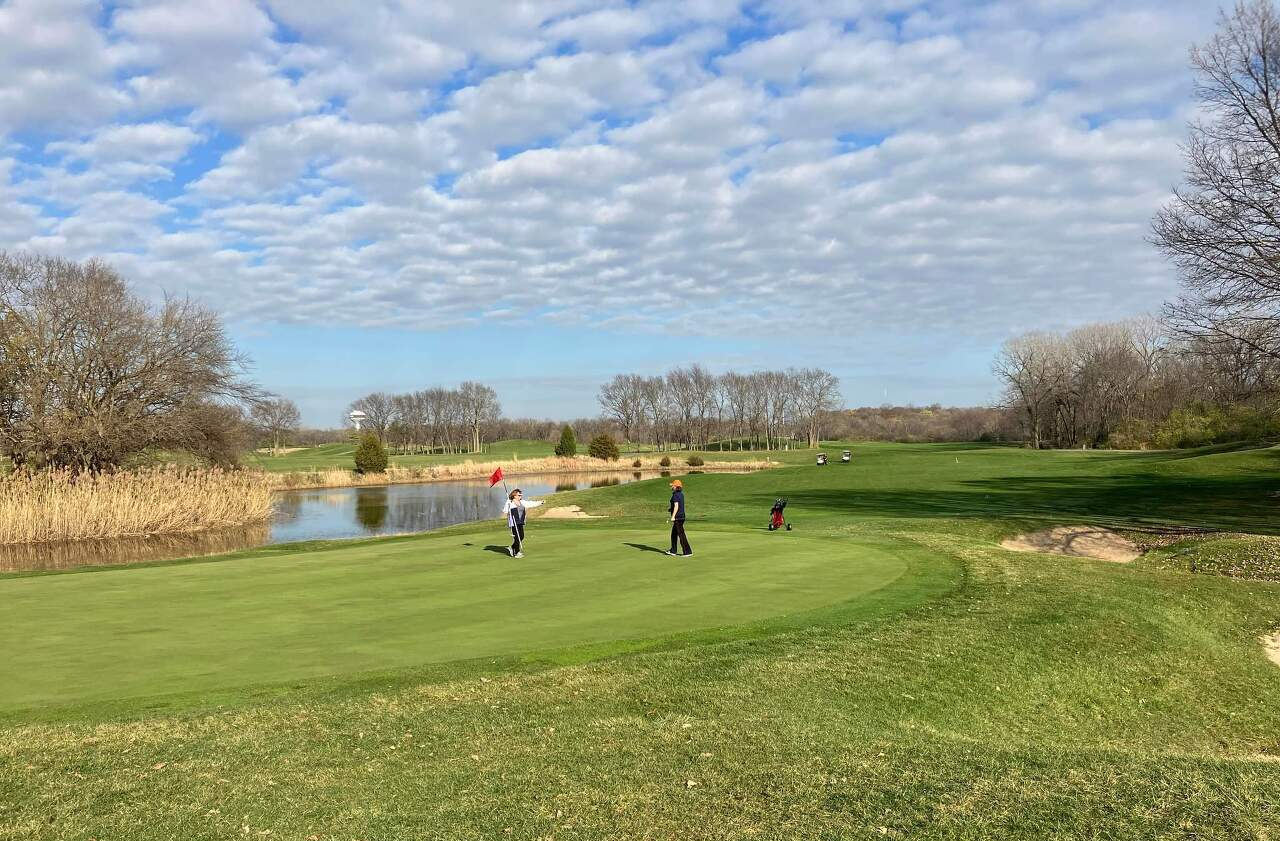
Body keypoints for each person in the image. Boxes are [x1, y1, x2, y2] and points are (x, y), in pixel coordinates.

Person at [502, 488, 543, 558]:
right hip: (514, 522)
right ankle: (516, 553)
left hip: (520, 521)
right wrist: (508, 505)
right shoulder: (510, 502)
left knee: (521, 536)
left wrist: (540, 502)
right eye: (519, 495)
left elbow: (530, 504)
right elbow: (505, 511)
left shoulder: (522, 502)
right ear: (514, 495)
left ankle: (512, 547)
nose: (520, 496)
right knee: (517, 537)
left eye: (521, 495)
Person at [666, 479, 692, 557]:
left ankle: (687, 552)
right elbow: (677, 505)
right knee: (674, 534)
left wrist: (673, 516)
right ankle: (673, 551)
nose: (671, 487)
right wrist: (671, 509)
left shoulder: (675, 495)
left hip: (678, 517)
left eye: (673, 486)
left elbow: (677, 506)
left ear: (676, 487)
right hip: (681, 516)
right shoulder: (681, 494)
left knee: (681, 535)